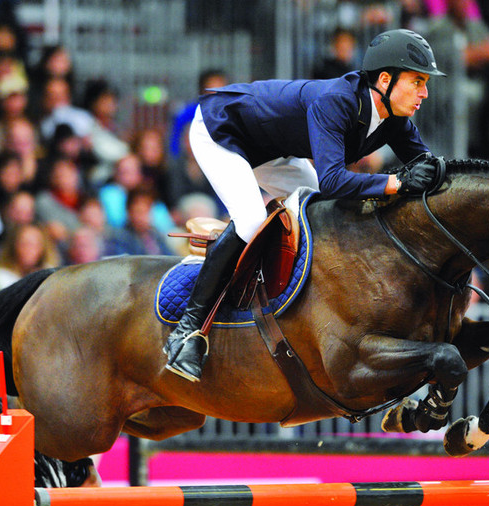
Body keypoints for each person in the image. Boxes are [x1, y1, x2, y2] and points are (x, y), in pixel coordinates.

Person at [165, 28, 447, 382]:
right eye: (418, 81)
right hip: (222, 129)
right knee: (252, 219)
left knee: (323, 211)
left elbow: (430, 167)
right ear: (386, 80)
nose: (424, 92)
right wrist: (396, 183)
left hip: (272, 152)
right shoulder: (338, 100)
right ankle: (187, 331)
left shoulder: (395, 119)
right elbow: (332, 180)